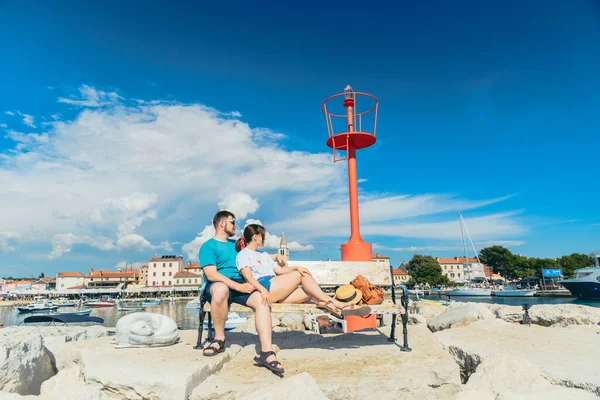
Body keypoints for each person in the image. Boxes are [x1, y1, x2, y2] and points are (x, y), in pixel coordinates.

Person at [199, 211, 284, 373]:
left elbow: (255, 253)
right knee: (220, 289)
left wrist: (275, 257)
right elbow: (211, 274)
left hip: (242, 287)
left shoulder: (237, 245)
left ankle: (267, 352)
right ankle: (219, 338)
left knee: (262, 299)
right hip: (220, 286)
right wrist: (238, 287)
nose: (235, 226)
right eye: (232, 222)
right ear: (222, 224)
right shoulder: (208, 247)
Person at [235, 224, 370, 318]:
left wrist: (296, 267)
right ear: (256, 237)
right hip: (264, 287)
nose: (264, 238)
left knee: (309, 293)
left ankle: (328, 303)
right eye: (262, 236)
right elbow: (249, 278)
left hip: (276, 290)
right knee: (301, 275)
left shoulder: (263, 254)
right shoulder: (243, 254)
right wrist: (262, 290)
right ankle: (341, 305)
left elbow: (280, 271)